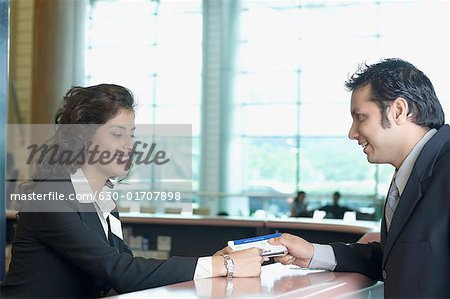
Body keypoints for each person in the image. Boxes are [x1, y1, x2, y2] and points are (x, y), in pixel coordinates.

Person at [0, 84, 264, 298]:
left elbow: (128, 272)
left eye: (132, 135)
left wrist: (212, 263)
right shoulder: (51, 198)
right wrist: (220, 266)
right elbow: (120, 271)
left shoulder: (103, 201)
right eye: (118, 134)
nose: (130, 145)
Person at [270, 58, 450, 298]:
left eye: (361, 117)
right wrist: (313, 253)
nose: (352, 133)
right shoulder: (410, 173)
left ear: (398, 110)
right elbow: (397, 257)